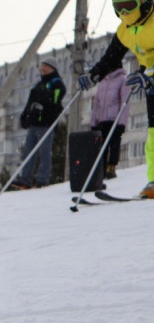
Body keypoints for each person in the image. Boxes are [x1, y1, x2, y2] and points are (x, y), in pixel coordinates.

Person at [79, 0, 154, 197]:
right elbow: (111, 58)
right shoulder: (125, 30)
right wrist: (94, 74)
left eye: (129, 5)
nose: (123, 11)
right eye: (119, 7)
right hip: (149, 80)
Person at [12, 57, 67, 189]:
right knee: (29, 152)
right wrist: (24, 116)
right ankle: (26, 179)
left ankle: (43, 179)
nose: (43, 69)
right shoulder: (38, 84)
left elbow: (56, 101)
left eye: (46, 66)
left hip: (46, 123)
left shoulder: (56, 83)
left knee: (44, 152)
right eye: (42, 66)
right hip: (34, 123)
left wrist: (45, 106)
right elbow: (30, 102)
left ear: (53, 68)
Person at [90, 66, 130, 180]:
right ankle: (101, 170)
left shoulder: (122, 79)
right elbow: (96, 103)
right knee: (101, 146)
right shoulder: (103, 81)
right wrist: (93, 121)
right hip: (102, 119)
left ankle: (111, 168)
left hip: (114, 119)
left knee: (114, 144)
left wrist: (122, 122)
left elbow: (125, 102)